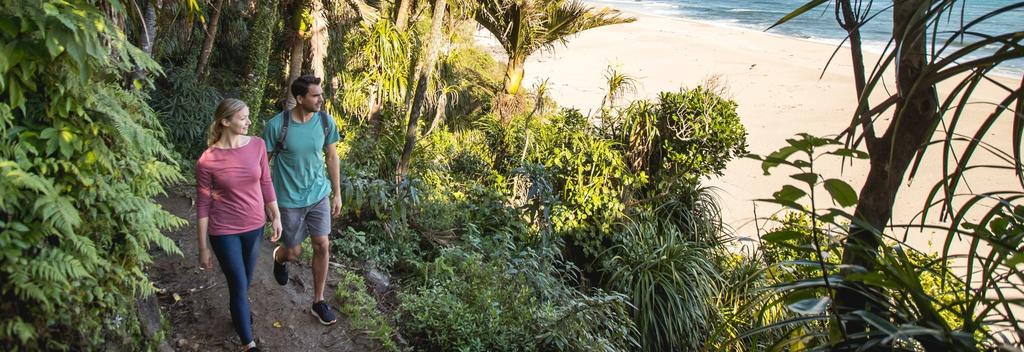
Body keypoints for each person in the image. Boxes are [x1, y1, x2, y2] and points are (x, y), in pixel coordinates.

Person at [196, 98, 283, 352]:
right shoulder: (207, 160)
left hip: (255, 226)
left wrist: (275, 215)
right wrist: (202, 247)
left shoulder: (257, 145)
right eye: (242, 118)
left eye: (247, 117)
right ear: (225, 122)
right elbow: (202, 204)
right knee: (237, 282)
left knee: (244, 281)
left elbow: (266, 182)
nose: (248, 121)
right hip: (224, 231)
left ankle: (239, 312)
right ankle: (248, 344)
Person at [262, 75, 342, 325]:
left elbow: (331, 157)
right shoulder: (278, 126)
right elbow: (263, 165)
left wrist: (337, 192)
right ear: (300, 98)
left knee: (322, 245)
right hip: (288, 199)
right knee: (294, 252)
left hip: (318, 195)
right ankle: (280, 257)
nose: (321, 99)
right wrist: (267, 201)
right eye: (315, 95)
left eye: (320, 94)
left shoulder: (325, 122)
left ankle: (318, 301)